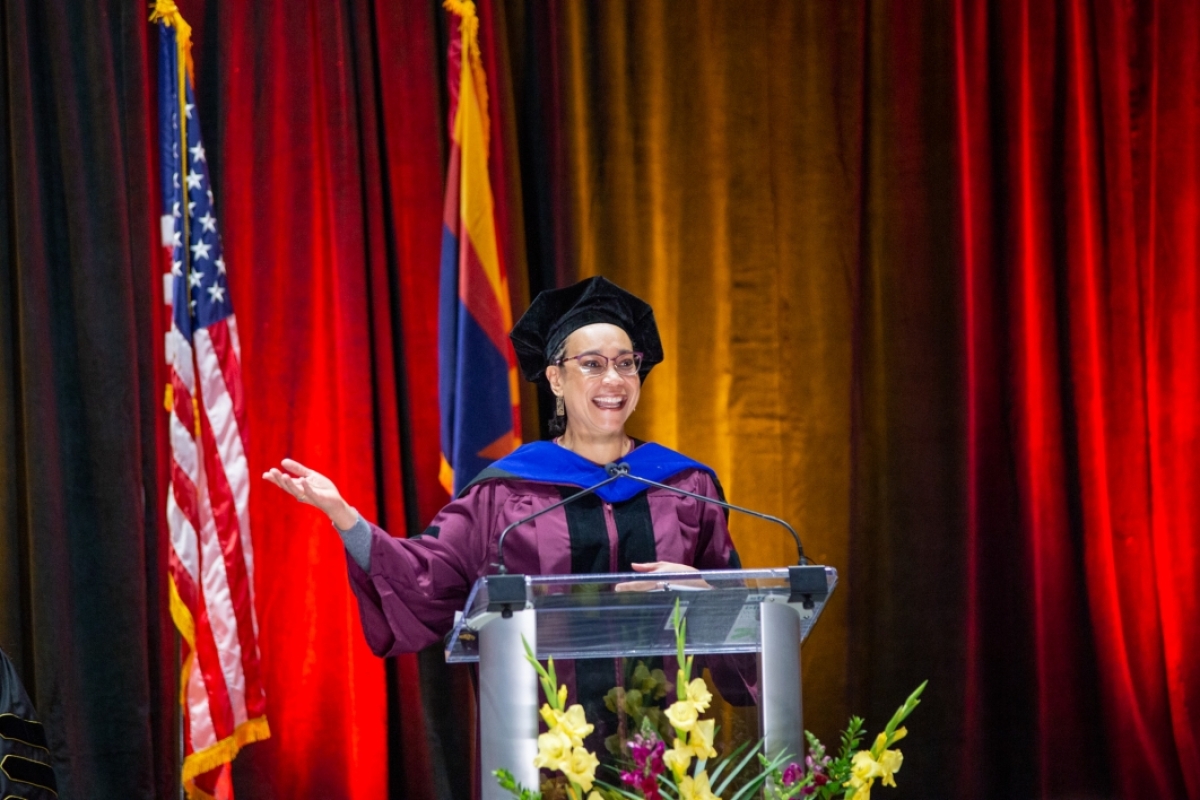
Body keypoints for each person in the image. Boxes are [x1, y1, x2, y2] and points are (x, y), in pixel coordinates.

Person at [263, 276, 746, 754]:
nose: (613, 380)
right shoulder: (504, 493)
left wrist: (708, 596)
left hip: (665, 760)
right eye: (592, 364)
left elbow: (743, 625)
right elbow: (425, 577)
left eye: (625, 363)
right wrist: (347, 519)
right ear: (555, 378)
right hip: (541, 760)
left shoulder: (684, 487)